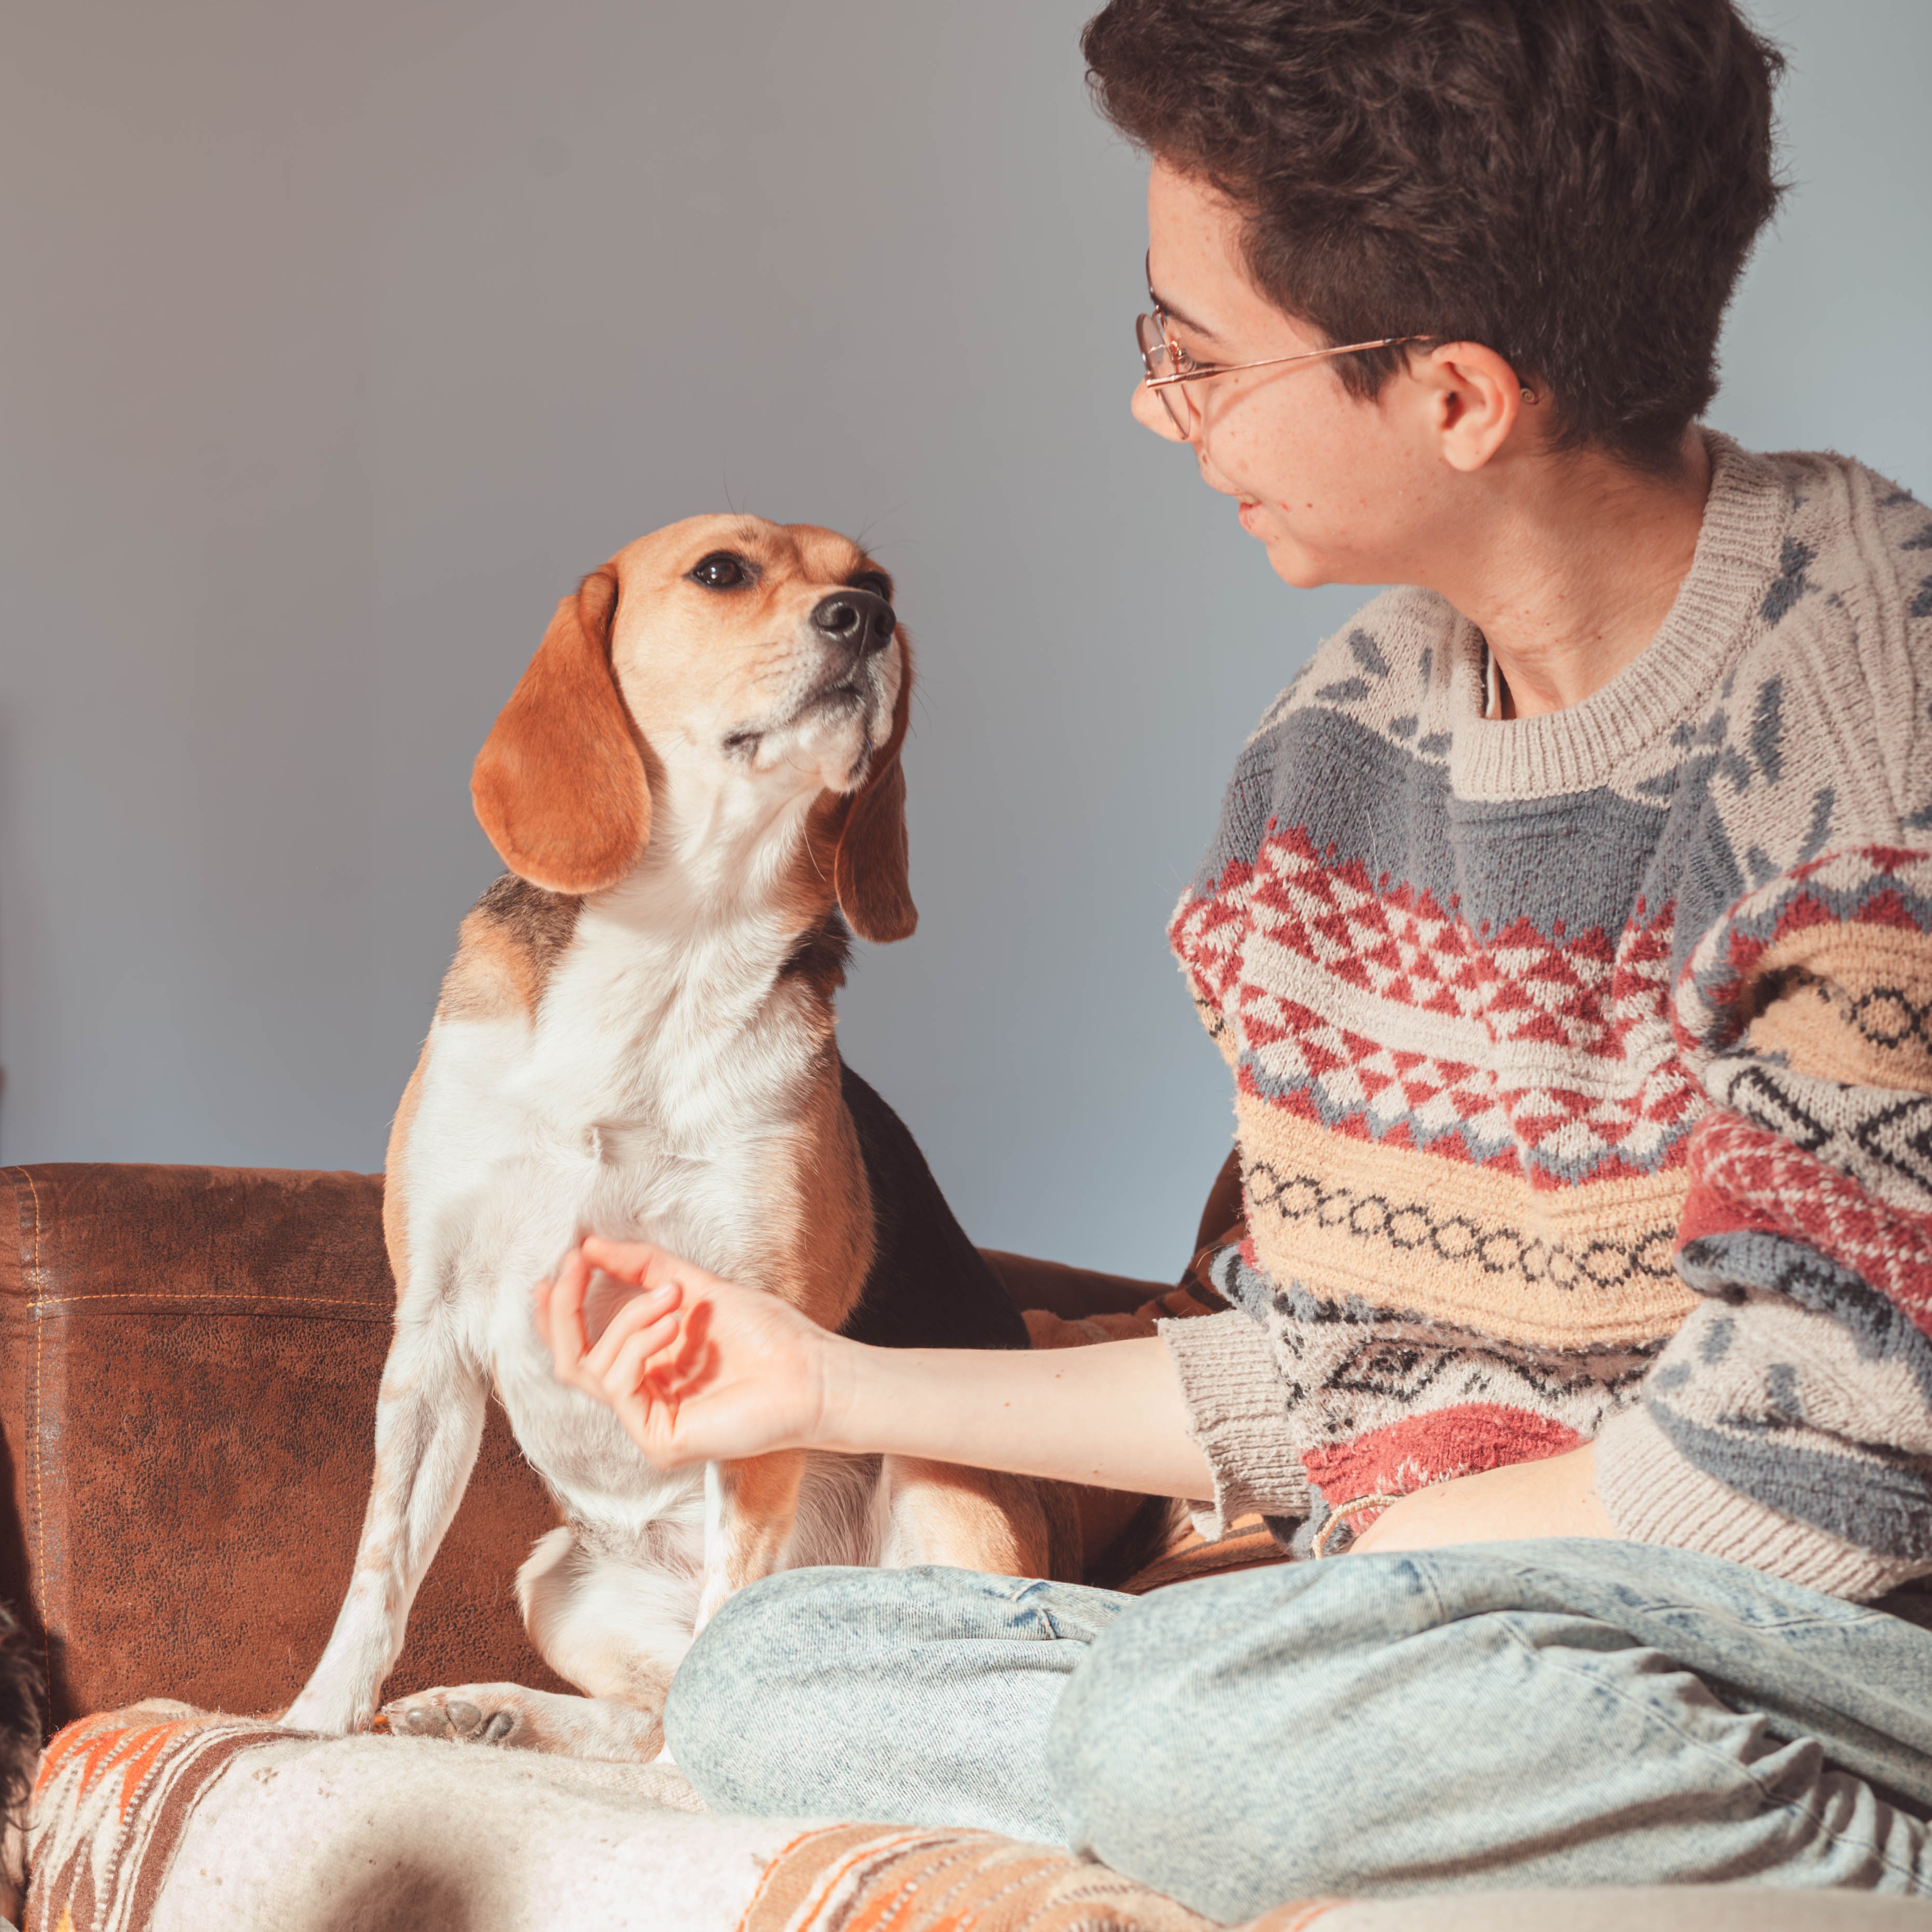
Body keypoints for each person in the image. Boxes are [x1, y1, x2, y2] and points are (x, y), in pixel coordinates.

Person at [536, 0, 1932, 1908]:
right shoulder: (1339, 749)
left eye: (1193, 356)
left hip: (1828, 1633)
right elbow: (1315, 1372)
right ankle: (1346, 1783)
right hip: (1432, 1634)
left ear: (1456, 396)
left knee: (1199, 1731)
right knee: (765, 1682)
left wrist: (1313, 1612)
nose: (1153, 404)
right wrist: (827, 1387)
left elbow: (1819, 1484)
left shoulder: (1873, 733)